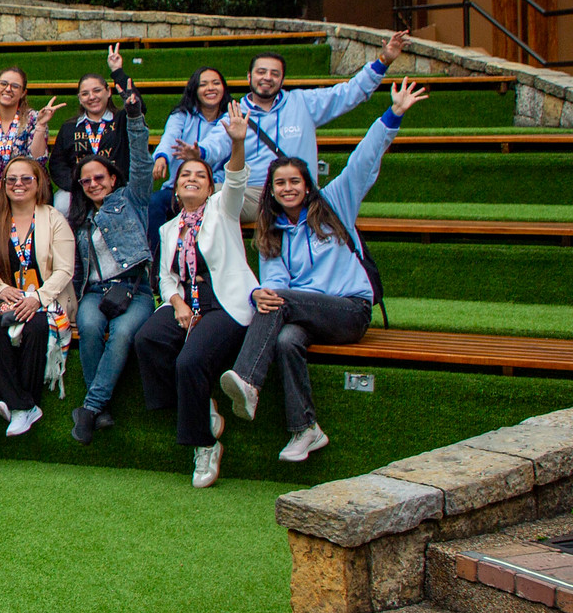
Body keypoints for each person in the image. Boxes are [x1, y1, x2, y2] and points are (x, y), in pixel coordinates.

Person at [220, 80, 426, 464]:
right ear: (271, 190)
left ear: (307, 184)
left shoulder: (335, 205)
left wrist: (393, 114)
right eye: (280, 183)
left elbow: (363, 160)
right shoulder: (273, 232)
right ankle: (306, 429)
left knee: (278, 303)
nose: (287, 188)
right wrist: (259, 294)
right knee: (284, 340)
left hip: (349, 310)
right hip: (308, 314)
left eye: (294, 181)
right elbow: (277, 284)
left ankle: (247, 379)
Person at [132, 106, 254, 489]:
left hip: (224, 304)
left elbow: (235, 179)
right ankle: (199, 406)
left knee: (189, 362)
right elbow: (166, 278)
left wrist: (237, 142)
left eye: (200, 176)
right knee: (147, 340)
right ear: (176, 184)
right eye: (186, 175)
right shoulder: (168, 228)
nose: (192, 180)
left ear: (209, 186)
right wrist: (177, 302)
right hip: (188, 302)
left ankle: (204, 445)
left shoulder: (223, 210)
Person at [198, 31, 410, 223]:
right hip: (249, 192)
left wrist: (384, 61)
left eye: (274, 74)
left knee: (217, 204)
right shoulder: (237, 112)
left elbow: (348, 93)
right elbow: (215, 143)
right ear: (249, 77)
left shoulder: (303, 103)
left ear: (282, 80)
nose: (267, 78)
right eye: (261, 72)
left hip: (292, 192)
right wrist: (198, 152)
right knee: (197, 192)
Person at [66, 64, 155, 445]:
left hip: (134, 289)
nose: (93, 184)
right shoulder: (80, 217)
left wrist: (133, 116)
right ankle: (97, 411)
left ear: (113, 178)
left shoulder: (132, 199)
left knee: (120, 335)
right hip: (95, 293)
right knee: (88, 328)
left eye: (99, 177)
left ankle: (89, 407)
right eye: (86, 181)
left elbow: (142, 161)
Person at [0, 157, 75, 437]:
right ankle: (23, 406)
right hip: (7, 296)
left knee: (38, 326)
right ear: (3, 185)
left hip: (46, 297)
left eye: (26, 179)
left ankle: (15, 403)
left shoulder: (54, 218)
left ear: (38, 183)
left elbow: (65, 269)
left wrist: (38, 298)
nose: (18, 185)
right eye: (12, 179)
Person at [148, 67, 230, 257]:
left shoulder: (230, 117)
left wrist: (198, 153)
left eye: (216, 83)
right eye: (204, 84)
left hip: (214, 188)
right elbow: (170, 137)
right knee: (154, 203)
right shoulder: (182, 115)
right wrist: (162, 157)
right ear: (194, 89)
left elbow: (219, 144)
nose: (210, 88)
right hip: (180, 187)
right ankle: (156, 264)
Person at [48, 45, 131, 214]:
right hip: (79, 187)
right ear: (79, 99)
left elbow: (137, 106)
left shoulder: (122, 120)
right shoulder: (70, 127)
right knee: (61, 206)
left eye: (97, 91)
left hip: (116, 187)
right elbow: (57, 164)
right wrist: (79, 186)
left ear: (108, 92)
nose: (92, 97)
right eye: (85, 94)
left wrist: (117, 72)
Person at [0, 66, 59, 219]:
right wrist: (6, 189)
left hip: (31, 183)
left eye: (15, 86)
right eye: (3, 83)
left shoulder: (35, 118)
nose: (8, 89)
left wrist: (41, 126)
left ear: (23, 92)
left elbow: (38, 160)